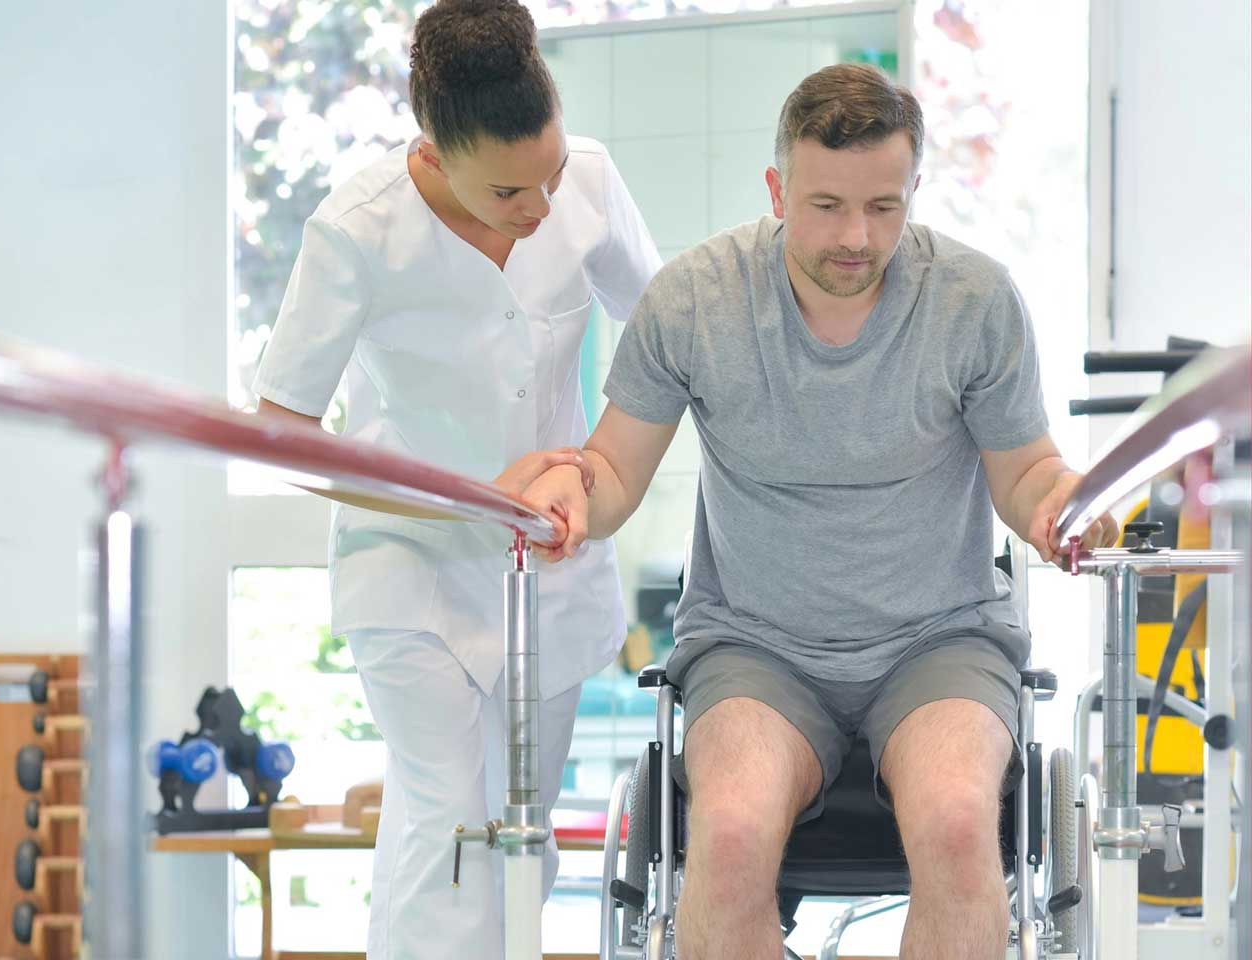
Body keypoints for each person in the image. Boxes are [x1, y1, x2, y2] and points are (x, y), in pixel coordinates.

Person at [518, 63, 1119, 960]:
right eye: (828, 206)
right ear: (777, 190)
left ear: (914, 189)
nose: (856, 236)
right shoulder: (696, 299)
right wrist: (570, 496)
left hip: (939, 641)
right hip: (756, 649)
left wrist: (1063, 505)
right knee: (724, 836)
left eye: (884, 206)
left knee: (962, 826)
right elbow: (609, 471)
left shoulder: (975, 300)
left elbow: (1026, 473)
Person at [251, 2, 661, 957]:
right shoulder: (357, 230)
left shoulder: (589, 181)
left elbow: (665, 331)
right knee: (454, 823)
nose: (541, 209)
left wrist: (594, 466)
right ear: (433, 158)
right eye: (511, 191)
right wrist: (453, 495)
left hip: (549, 558)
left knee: (523, 825)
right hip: (409, 559)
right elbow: (284, 434)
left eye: (551, 176)